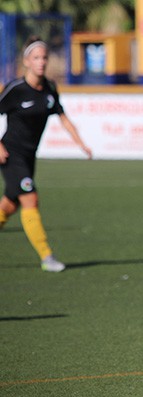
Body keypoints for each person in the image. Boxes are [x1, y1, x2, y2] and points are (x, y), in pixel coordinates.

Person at [0, 36, 92, 272]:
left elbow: (62, 116)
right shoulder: (15, 89)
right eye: (36, 58)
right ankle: (47, 256)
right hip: (10, 154)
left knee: (9, 206)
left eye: (44, 58)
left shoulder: (50, 88)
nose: (41, 62)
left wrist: (82, 144)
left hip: (29, 156)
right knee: (30, 198)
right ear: (26, 62)